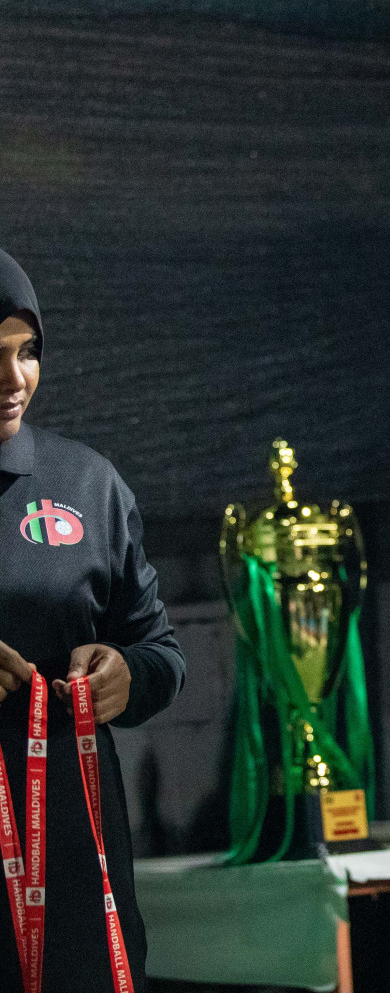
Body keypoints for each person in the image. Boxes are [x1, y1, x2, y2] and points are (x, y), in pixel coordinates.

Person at [0, 248, 185, 990]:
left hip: (74, 849)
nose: (14, 380)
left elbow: (159, 649)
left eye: (27, 351)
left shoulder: (84, 484)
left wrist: (126, 676)